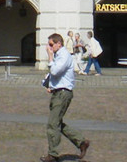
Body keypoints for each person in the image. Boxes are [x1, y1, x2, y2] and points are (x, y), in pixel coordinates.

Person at [41, 33, 89, 162]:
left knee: (52, 124)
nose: (49, 47)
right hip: (58, 91)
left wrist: (50, 57)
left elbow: (56, 71)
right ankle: (81, 141)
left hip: (63, 93)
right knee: (57, 123)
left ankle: (53, 154)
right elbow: (54, 74)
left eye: (51, 45)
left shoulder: (64, 55)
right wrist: (49, 84)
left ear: (58, 43)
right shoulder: (59, 55)